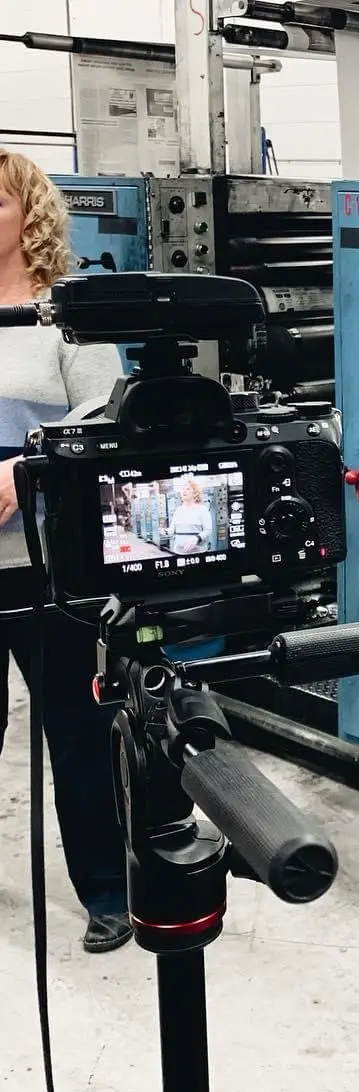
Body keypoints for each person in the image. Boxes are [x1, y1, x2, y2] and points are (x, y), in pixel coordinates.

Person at [0, 149, 132, 953]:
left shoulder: (64, 314)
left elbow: (106, 408)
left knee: (75, 731)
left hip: (42, 565)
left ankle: (108, 891)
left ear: (29, 216)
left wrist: (26, 462)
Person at [168, 477, 214, 555]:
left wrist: (197, 538)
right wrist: (165, 531)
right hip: (178, 552)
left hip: (198, 553)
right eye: (182, 489)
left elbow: (208, 530)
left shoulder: (202, 510)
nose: (183, 491)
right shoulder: (178, 510)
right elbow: (172, 529)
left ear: (195, 493)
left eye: (188, 489)